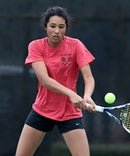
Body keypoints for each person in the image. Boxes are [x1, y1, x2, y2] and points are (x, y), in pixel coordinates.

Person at [15, 6, 96, 156]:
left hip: (69, 112)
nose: (57, 31)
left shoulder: (76, 45)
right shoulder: (36, 46)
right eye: (52, 26)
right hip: (42, 109)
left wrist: (87, 95)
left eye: (61, 27)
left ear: (66, 28)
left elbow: (88, 77)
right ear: (45, 26)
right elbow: (45, 80)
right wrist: (71, 94)